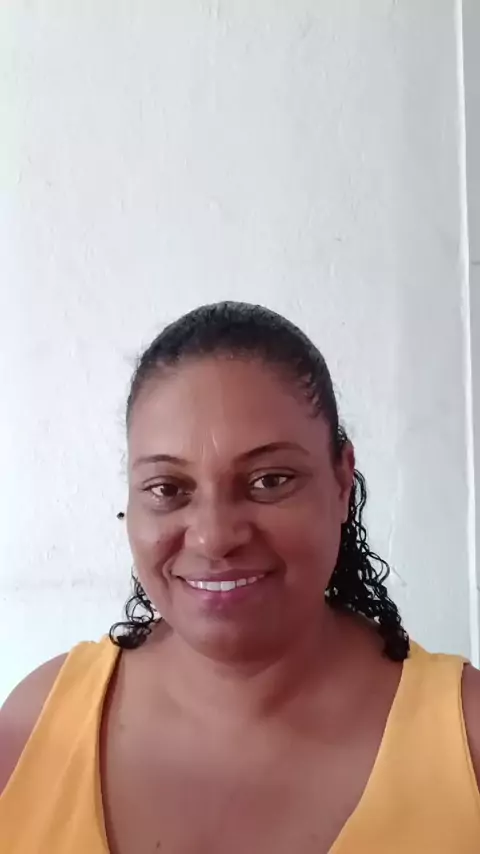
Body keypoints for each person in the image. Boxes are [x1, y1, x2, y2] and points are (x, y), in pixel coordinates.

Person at [1, 301, 480, 853]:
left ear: (342, 482)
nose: (213, 537)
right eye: (167, 488)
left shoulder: (468, 741)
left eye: (269, 480)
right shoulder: (32, 728)